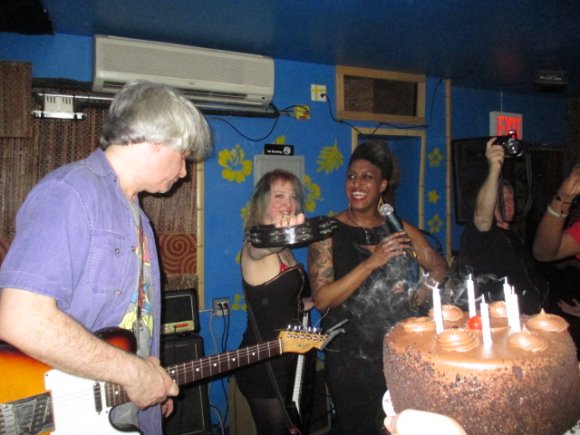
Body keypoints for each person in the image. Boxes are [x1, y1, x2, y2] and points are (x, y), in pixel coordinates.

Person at [0, 81, 212, 434]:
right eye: (184, 157)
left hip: (116, 407)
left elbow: (124, 324)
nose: (183, 172)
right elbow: (19, 317)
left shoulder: (139, 217)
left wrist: (148, 380)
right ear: (158, 140)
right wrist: (132, 373)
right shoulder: (70, 192)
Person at [307, 142, 449, 434]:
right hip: (349, 360)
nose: (356, 184)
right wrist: (373, 262)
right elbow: (322, 300)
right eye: (351, 176)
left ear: (382, 185)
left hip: (397, 353)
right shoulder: (326, 231)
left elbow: (439, 268)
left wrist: (416, 300)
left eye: (367, 177)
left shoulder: (399, 228)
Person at [235, 169, 314, 435]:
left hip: (288, 358)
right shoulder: (255, 245)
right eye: (279, 195)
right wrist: (282, 235)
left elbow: (282, 302)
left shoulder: (286, 249)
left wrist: (312, 303)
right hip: (262, 364)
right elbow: (262, 247)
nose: (289, 203)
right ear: (263, 202)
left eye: (293, 197)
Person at [459, 137, 548, 315]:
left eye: (511, 198)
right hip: (498, 322)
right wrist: (494, 169)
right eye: (502, 199)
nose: (508, 203)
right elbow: (482, 218)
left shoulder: (514, 237)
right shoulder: (480, 234)